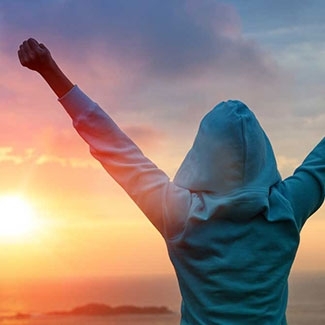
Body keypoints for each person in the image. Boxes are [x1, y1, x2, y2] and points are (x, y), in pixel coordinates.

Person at [18, 38, 325, 325]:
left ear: (202, 153)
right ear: (264, 152)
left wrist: (50, 71)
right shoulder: (286, 208)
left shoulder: (181, 214)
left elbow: (116, 150)